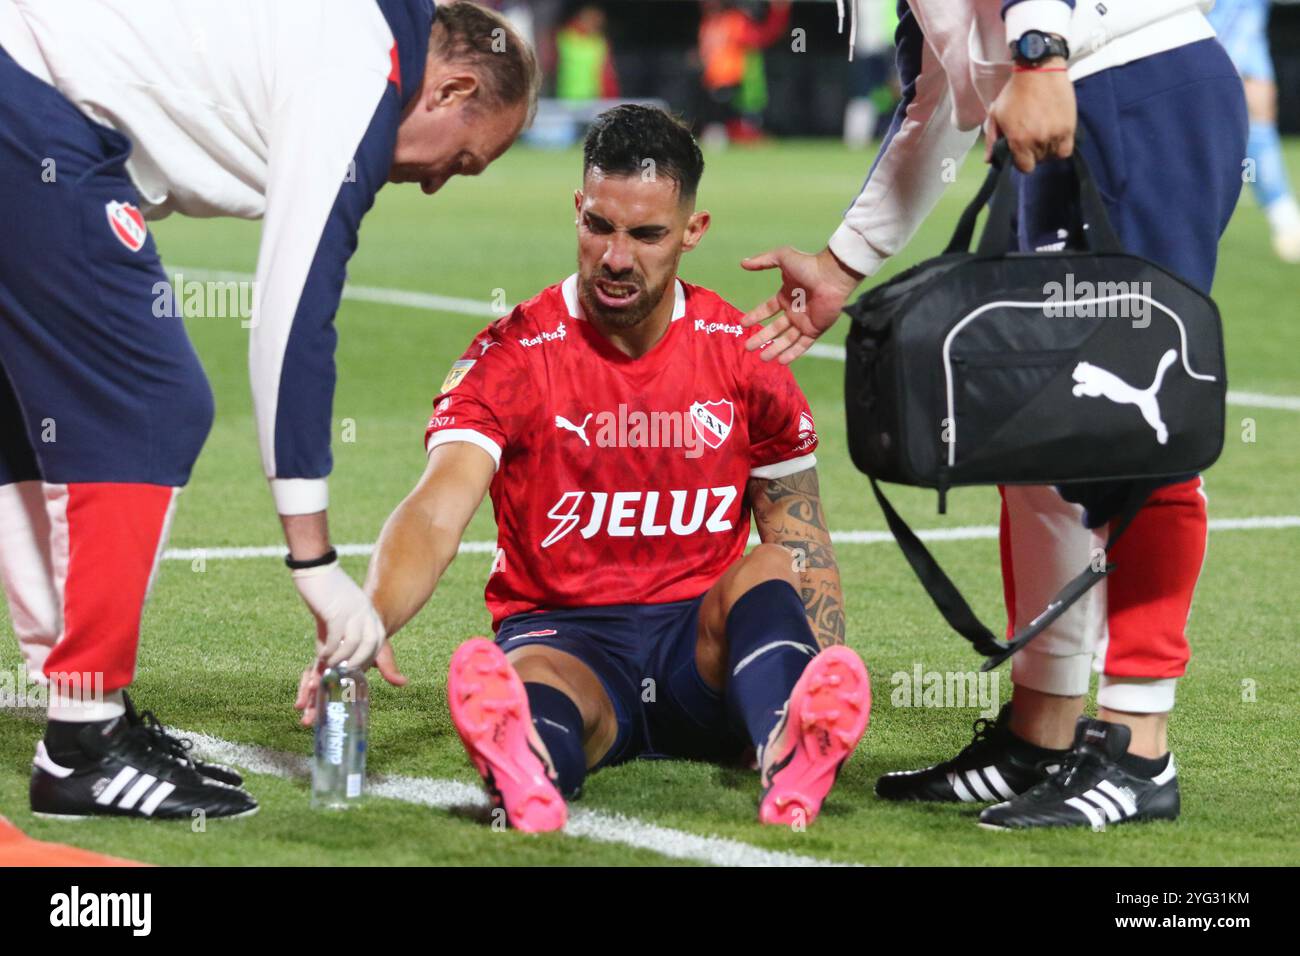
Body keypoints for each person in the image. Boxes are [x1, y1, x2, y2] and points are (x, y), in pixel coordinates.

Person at [0, 0, 538, 820]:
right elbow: (291, 325)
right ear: (450, 87)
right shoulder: (362, 73)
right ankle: (83, 745)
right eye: (460, 160)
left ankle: (80, 704)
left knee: (30, 415)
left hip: (27, 89)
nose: (433, 183)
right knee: (152, 402)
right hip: (28, 100)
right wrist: (316, 565)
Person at [740, 0, 1246, 830]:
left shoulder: (1057, 57)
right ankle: (1040, 733)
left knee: (1139, 425)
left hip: (1121, 81)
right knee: (1037, 434)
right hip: (1054, 100)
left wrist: (1040, 52)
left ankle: (1139, 744)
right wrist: (840, 265)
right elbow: (938, 104)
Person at [350, 105, 871, 832]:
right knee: (532, 683)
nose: (616, 257)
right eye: (599, 226)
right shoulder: (511, 357)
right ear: (577, 210)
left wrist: (818, 666)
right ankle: (529, 770)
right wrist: (365, 621)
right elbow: (437, 510)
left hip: (703, 650)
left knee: (774, 564)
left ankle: (793, 742)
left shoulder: (743, 357)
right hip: (569, 638)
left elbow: (803, 539)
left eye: (647, 234)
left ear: (693, 232)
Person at [1208, 0, 1300, 262]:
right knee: (1230, 108)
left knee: (1257, 111)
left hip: (1247, 15)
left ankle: (1283, 215)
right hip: (1214, 17)